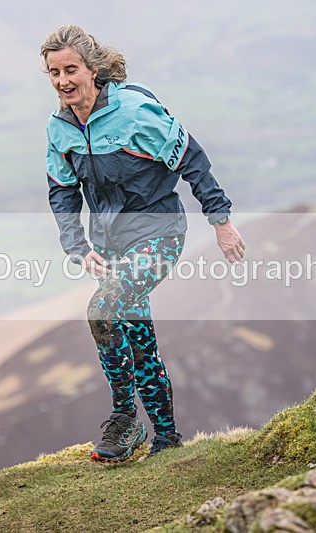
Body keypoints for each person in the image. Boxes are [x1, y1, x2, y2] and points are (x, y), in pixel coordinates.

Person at [41, 25, 245, 463]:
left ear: (92, 69)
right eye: (54, 73)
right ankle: (167, 441)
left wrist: (221, 220)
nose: (62, 81)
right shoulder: (60, 129)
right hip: (110, 247)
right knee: (136, 337)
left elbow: (191, 158)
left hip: (159, 234)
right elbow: (62, 190)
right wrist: (77, 245)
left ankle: (125, 419)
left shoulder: (134, 112)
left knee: (102, 310)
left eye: (70, 69)